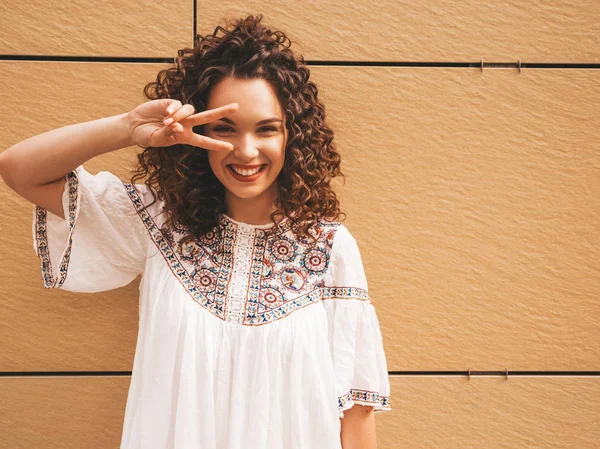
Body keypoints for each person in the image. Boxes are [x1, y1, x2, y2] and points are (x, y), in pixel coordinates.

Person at [0, 14, 391, 449]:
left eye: (266, 129)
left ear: (292, 137)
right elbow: (20, 170)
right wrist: (128, 128)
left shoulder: (330, 248)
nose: (245, 150)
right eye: (224, 128)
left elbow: (355, 421)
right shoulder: (158, 223)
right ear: (198, 134)